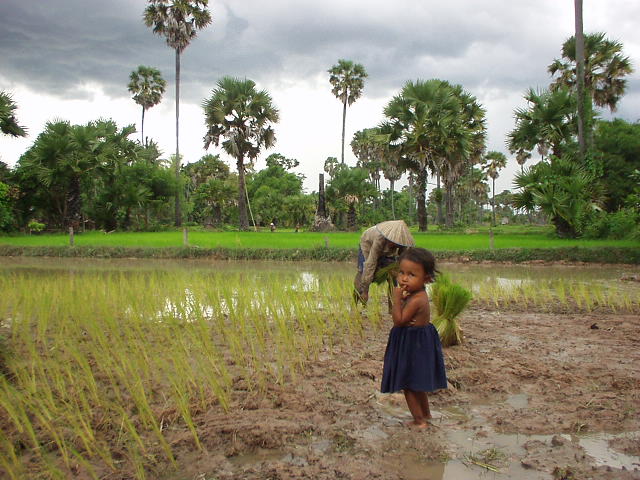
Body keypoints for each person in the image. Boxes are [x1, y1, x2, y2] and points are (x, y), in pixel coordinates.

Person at [380, 247, 447, 428]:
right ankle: (426, 414)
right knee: (417, 384)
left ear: (426, 279)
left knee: (408, 384)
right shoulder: (416, 294)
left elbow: (399, 320)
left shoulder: (418, 299)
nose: (403, 278)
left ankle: (419, 421)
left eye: (411, 275)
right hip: (416, 342)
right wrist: (403, 299)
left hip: (412, 344)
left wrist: (396, 300)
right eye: (401, 272)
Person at [354, 220, 415, 304]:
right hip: (368, 243)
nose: (395, 245)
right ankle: (355, 303)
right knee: (363, 271)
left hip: (386, 251)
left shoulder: (402, 242)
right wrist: (365, 290)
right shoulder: (379, 239)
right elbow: (370, 263)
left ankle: (392, 307)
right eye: (393, 242)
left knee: (392, 277)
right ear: (390, 238)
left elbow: (404, 260)